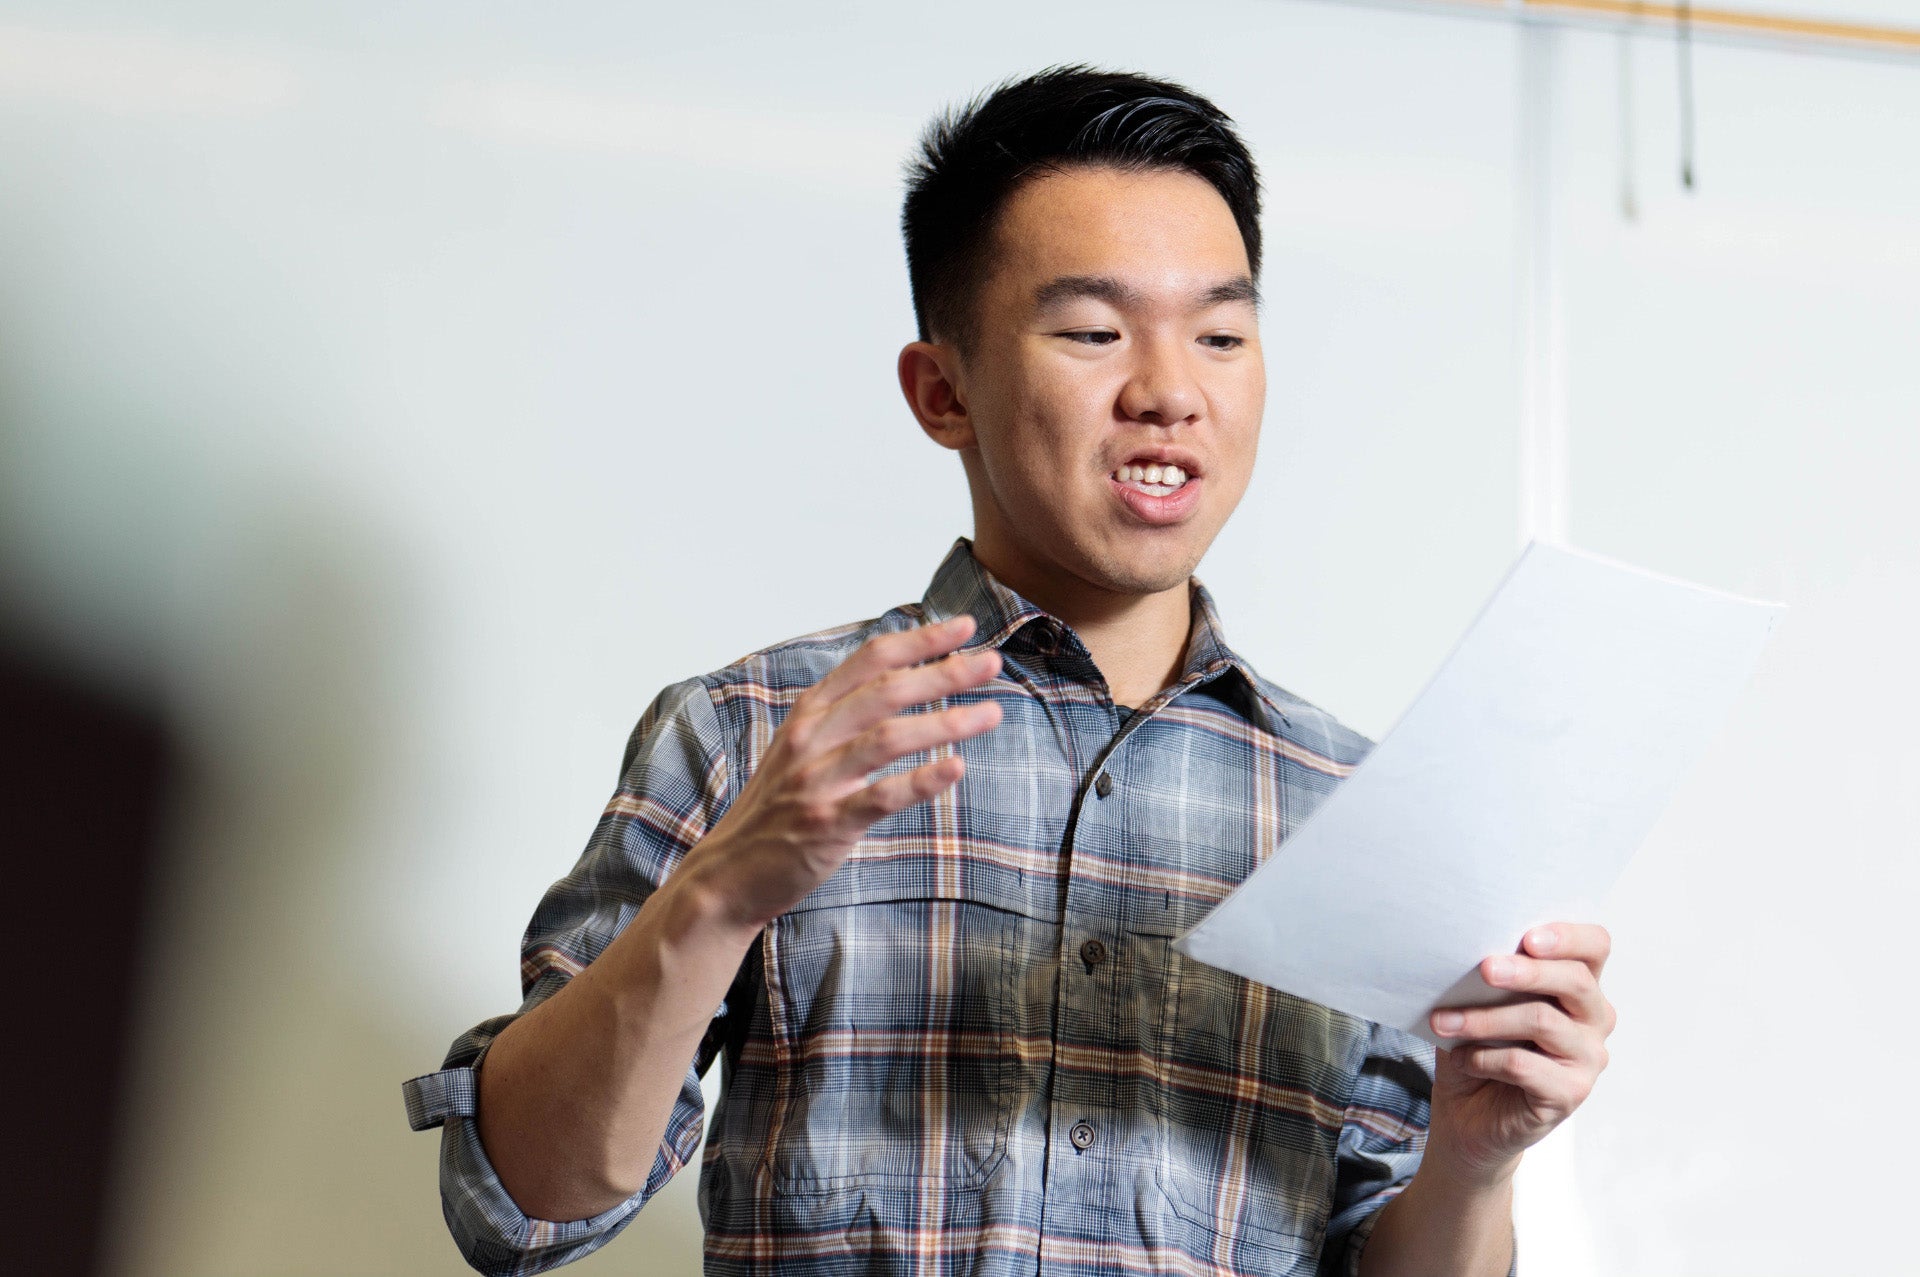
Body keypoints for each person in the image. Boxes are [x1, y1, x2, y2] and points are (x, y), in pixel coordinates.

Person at [401, 65, 1616, 1277]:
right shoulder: (756, 733)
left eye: (1220, 335)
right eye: (1093, 332)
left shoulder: (1361, 810)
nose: (1169, 392)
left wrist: (1473, 1160)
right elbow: (520, 1205)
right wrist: (718, 896)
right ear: (944, 392)